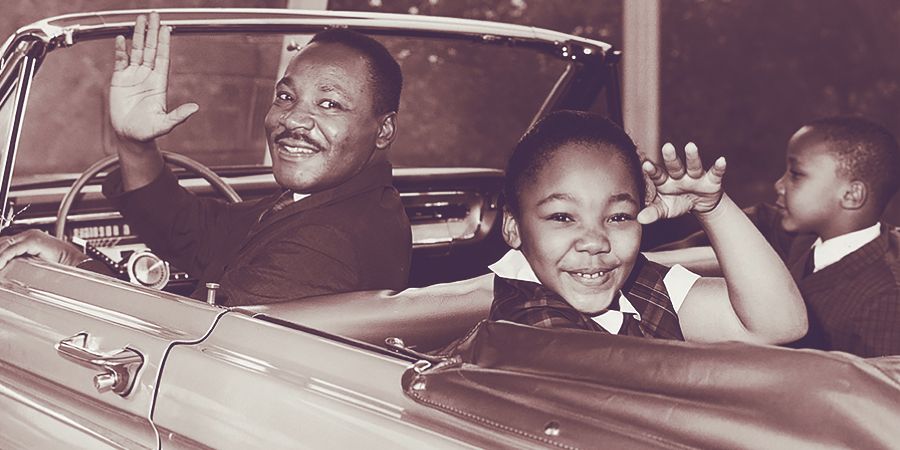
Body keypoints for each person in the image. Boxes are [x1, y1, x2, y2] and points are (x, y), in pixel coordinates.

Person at [0, 13, 412, 306]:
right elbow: (191, 232)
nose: (294, 120)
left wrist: (75, 261)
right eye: (286, 97)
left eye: (330, 104)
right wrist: (134, 143)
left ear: (384, 130)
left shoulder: (328, 244)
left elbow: (182, 346)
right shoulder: (330, 204)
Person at [489, 110, 807, 344]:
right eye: (563, 218)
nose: (595, 242)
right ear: (513, 227)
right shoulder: (528, 328)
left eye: (618, 217)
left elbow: (780, 323)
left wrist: (713, 209)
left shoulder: (637, 283)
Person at [649, 117, 900, 356]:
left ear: (851, 195)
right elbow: (747, 227)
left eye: (796, 174)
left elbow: (882, 393)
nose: (779, 185)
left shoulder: (886, 298)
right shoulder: (800, 237)